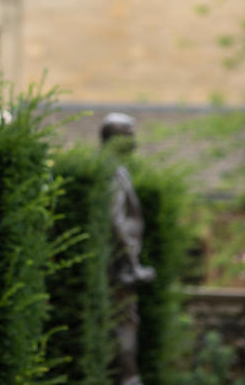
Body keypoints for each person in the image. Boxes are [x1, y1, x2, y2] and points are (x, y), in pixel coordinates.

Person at [100, 113, 156, 385]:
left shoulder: (116, 168)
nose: (134, 141)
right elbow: (115, 219)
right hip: (120, 266)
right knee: (124, 324)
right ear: (116, 139)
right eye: (129, 134)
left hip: (121, 263)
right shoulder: (112, 170)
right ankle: (128, 378)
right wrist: (132, 263)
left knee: (122, 323)